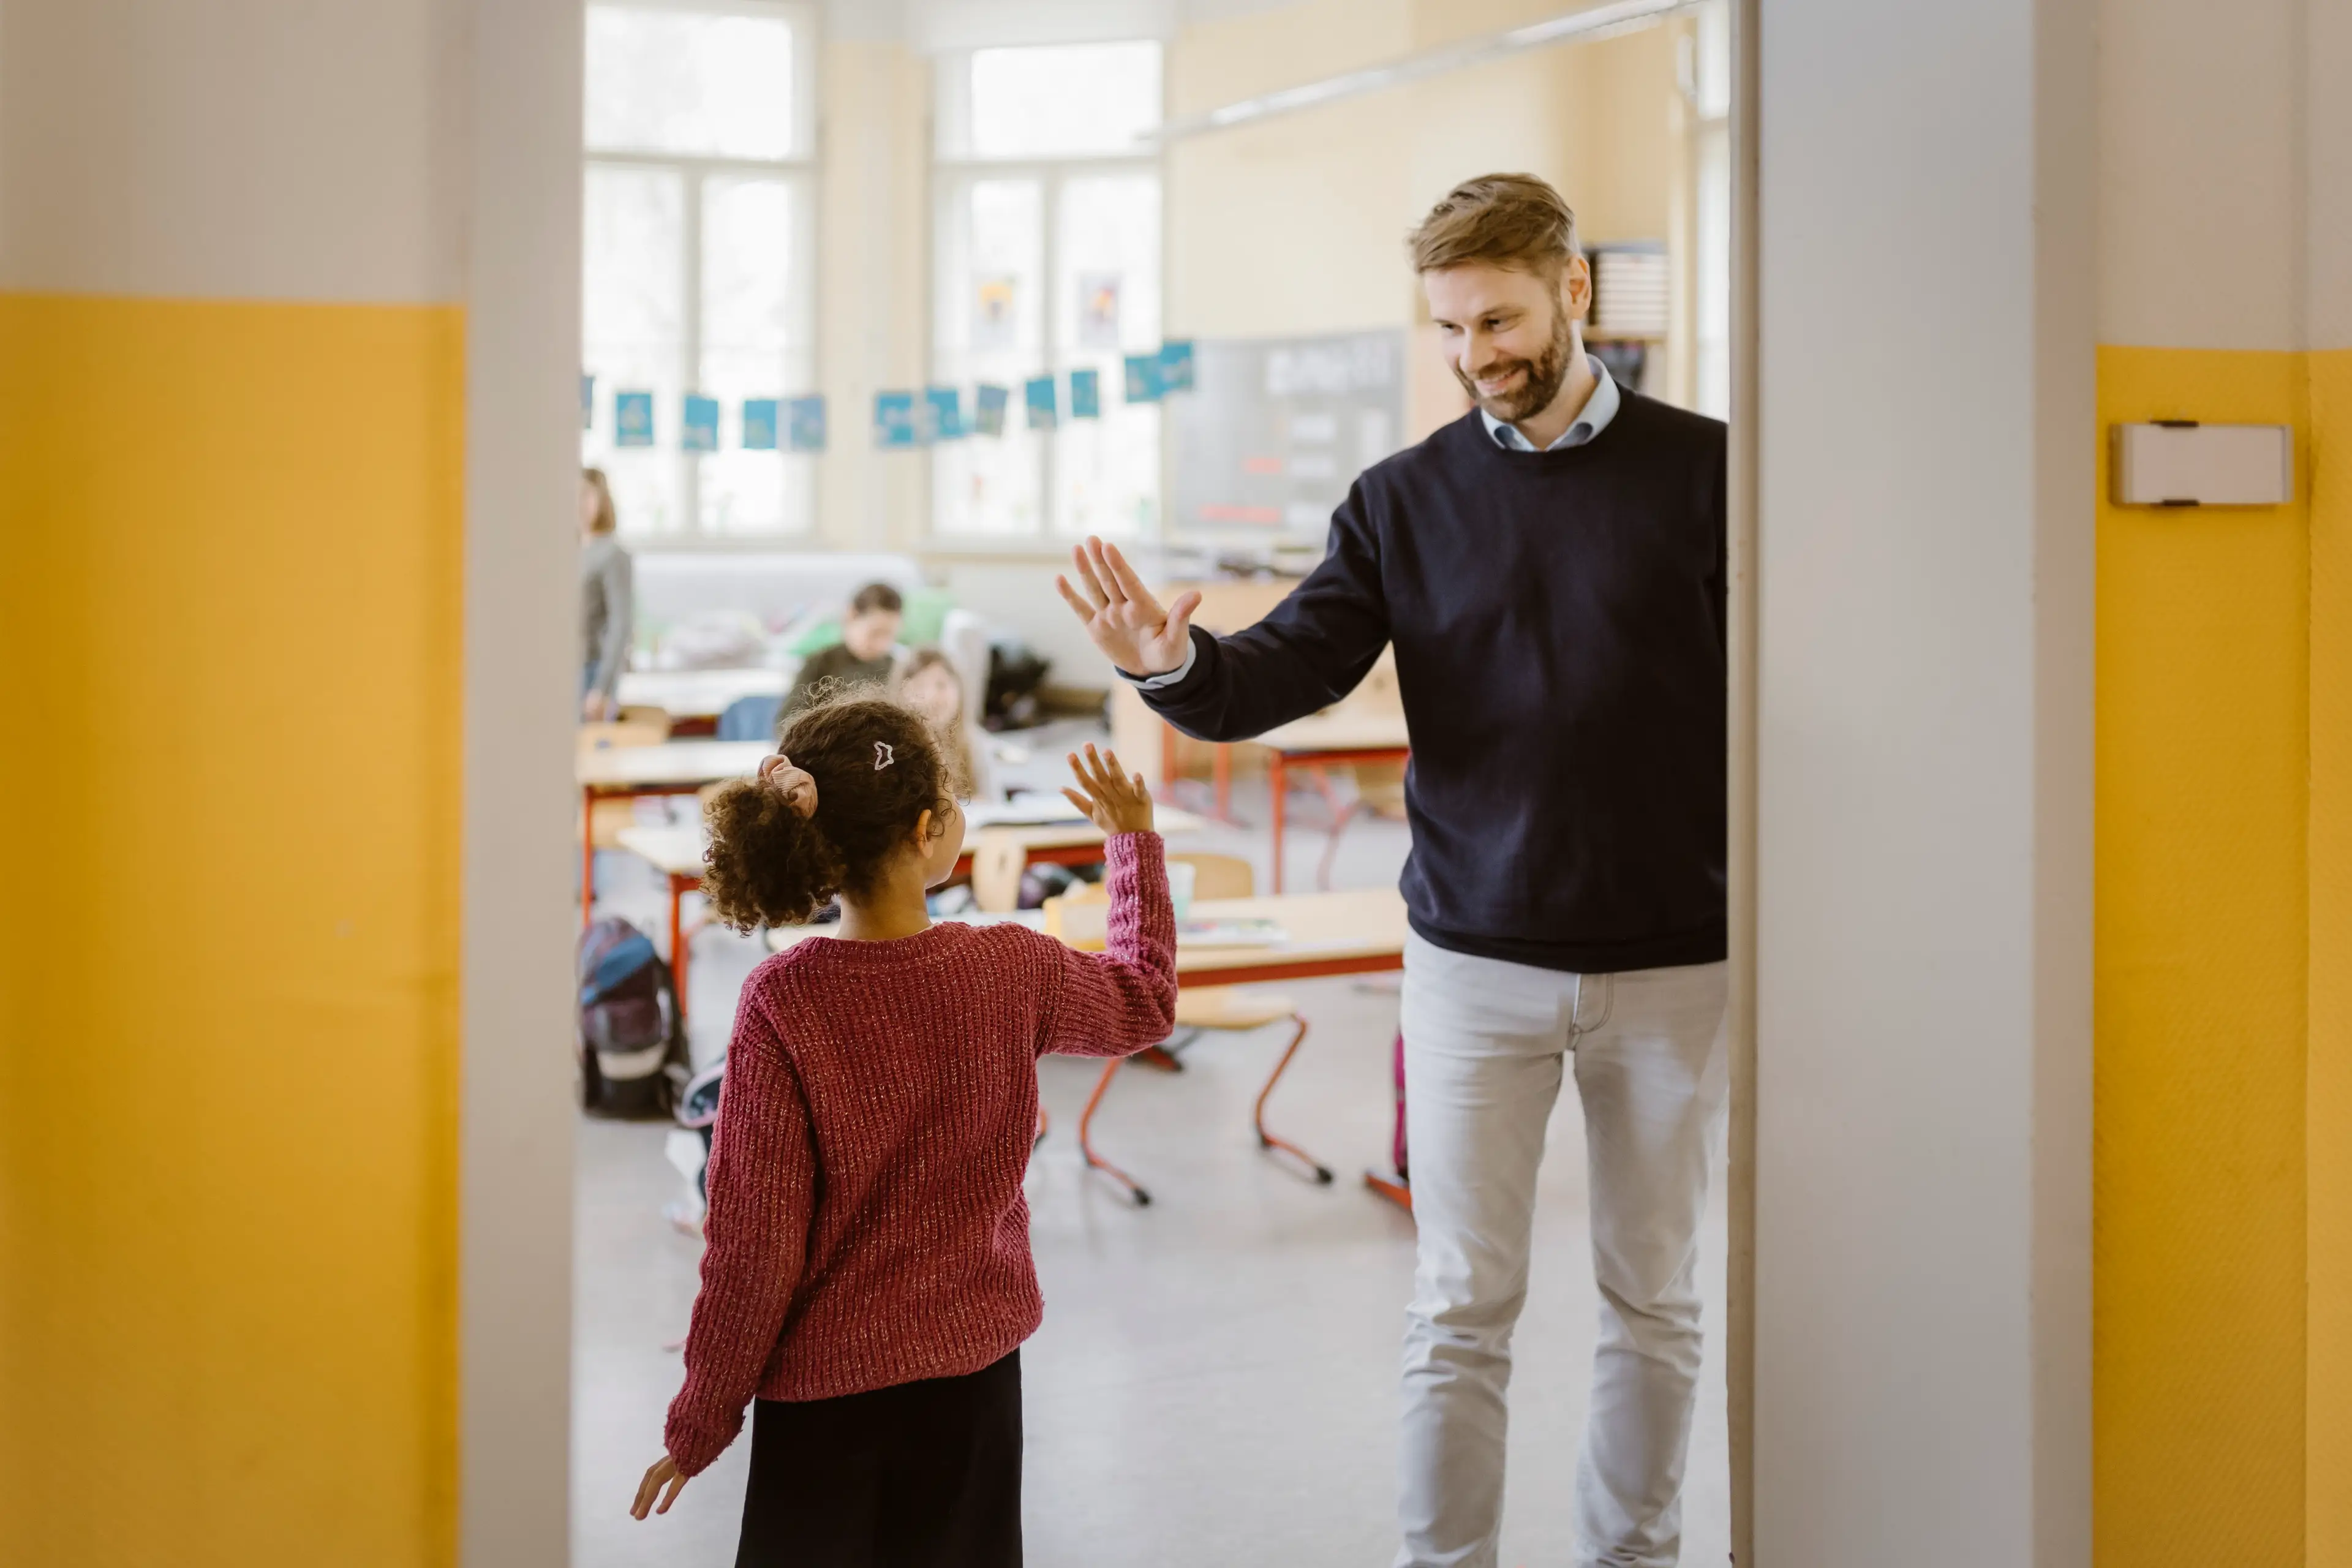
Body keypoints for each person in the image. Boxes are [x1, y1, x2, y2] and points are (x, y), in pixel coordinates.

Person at [1055, 172, 1728, 1568]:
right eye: (1449, 326)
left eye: (1500, 318)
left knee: (1652, 1299)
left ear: (1574, 291)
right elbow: (1278, 670)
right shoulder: (1402, 500)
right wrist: (1167, 664)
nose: (1478, 353)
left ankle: (1635, 1556)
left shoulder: (1711, 473)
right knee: (1457, 1307)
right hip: (1474, 960)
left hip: (1675, 959)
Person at [628, 693, 1177, 1568]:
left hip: (823, 1408)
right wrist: (1132, 841)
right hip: (973, 1390)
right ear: (928, 830)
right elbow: (1144, 999)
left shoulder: (783, 1000)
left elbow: (751, 1246)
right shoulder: (1011, 970)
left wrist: (701, 1419)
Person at [781, 582, 904, 720]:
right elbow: (787, 722)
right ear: (852, 615)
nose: (881, 645)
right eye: (875, 633)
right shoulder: (821, 663)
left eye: (889, 635)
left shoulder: (895, 668)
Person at [899, 646, 993, 802]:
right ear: (902, 693)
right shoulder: (893, 747)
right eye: (919, 687)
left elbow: (995, 802)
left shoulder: (975, 742)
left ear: (960, 690)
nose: (931, 697)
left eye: (941, 685)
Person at [579, 467, 633, 722]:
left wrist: (602, 688)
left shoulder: (613, 555)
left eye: (587, 495)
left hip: (592, 672)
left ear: (602, 500)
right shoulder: (566, 550)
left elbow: (620, 624)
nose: (578, 503)